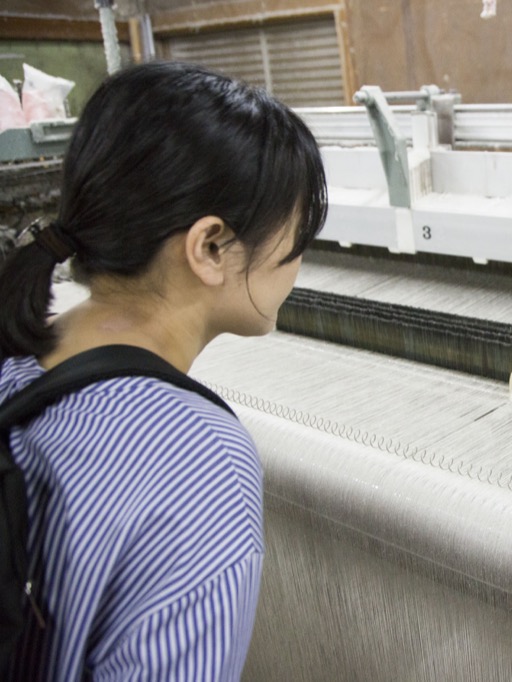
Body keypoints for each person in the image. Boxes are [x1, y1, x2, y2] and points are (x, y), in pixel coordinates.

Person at [0, 61, 327, 679]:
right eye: (298, 230)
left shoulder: (13, 360)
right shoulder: (201, 462)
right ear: (209, 247)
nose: (299, 259)